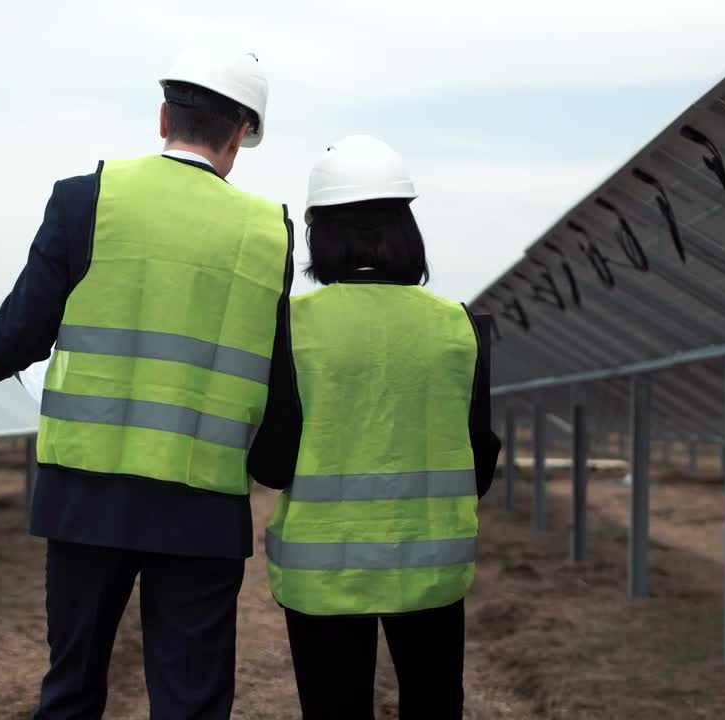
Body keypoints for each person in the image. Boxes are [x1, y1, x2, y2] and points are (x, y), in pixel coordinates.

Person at [0, 48, 295, 720]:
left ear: (165, 115)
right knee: (191, 701)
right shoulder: (267, 230)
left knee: (73, 687)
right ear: (240, 136)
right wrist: (273, 463)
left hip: (86, 496)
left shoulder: (87, 199)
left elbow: (21, 333)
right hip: (203, 506)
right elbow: (278, 370)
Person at [250, 135, 502, 719]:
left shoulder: (290, 326)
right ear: (405, 230)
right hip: (431, 570)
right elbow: (479, 463)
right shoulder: (460, 325)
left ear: (321, 232)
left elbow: (272, 464)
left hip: (323, 576)